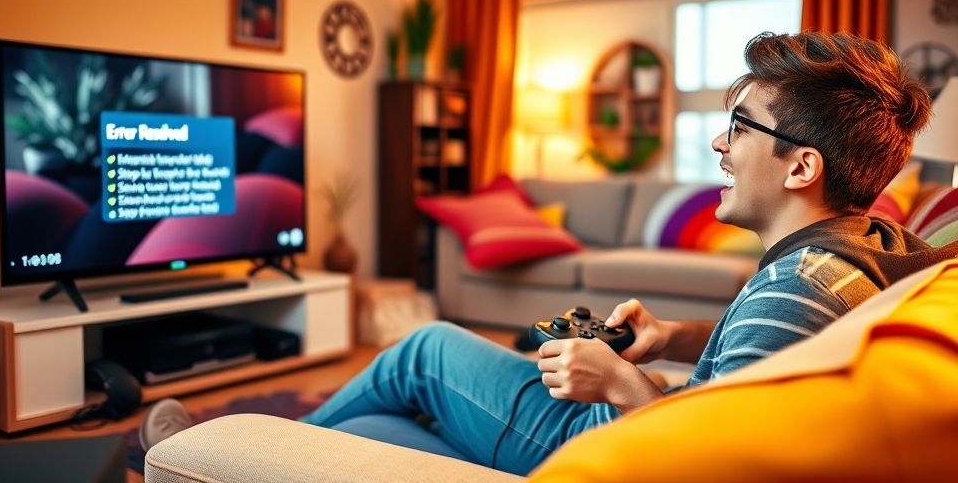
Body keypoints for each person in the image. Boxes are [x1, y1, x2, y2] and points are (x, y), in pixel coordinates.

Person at [143, 31, 956, 474]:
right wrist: (672, 339)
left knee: (421, 351)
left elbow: (723, 444)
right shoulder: (864, 248)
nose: (718, 142)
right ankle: (303, 449)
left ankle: (223, 457)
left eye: (741, 127)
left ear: (801, 165)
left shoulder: (796, 287)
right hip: (653, 406)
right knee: (395, 412)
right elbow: (777, 368)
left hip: (614, 442)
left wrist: (623, 380)